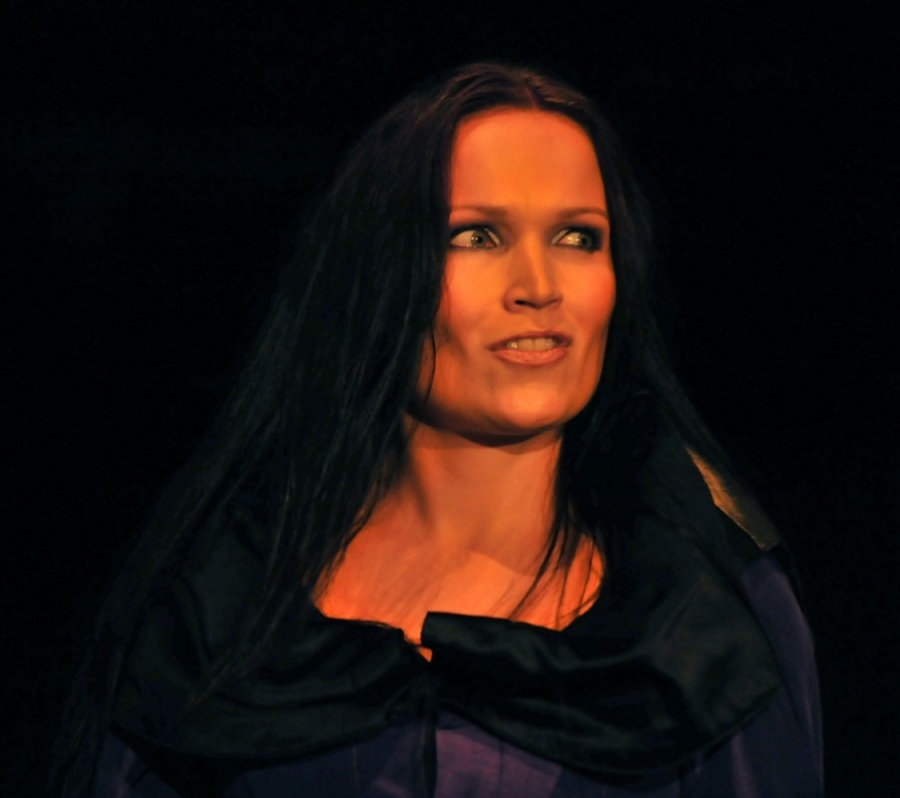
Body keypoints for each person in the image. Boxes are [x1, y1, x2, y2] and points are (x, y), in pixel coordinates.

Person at [53, 62, 823, 796]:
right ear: (378, 273)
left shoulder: (703, 613)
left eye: (578, 237)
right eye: (477, 236)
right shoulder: (222, 600)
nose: (539, 287)